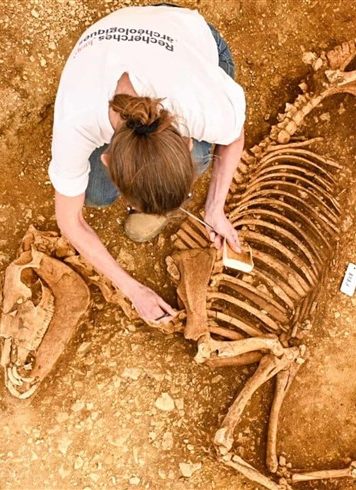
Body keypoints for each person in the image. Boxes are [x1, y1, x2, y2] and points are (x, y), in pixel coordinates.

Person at [49, 4, 246, 326]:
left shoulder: (203, 105)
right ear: (108, 158)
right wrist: (132, 289)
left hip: (186, 36)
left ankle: (160, 195)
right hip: (105, 45)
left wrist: (215, 209)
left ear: (185, 141)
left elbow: (234, 137)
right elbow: (69, 221)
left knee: (200, 158)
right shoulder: (77, 119)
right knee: (96, 194)